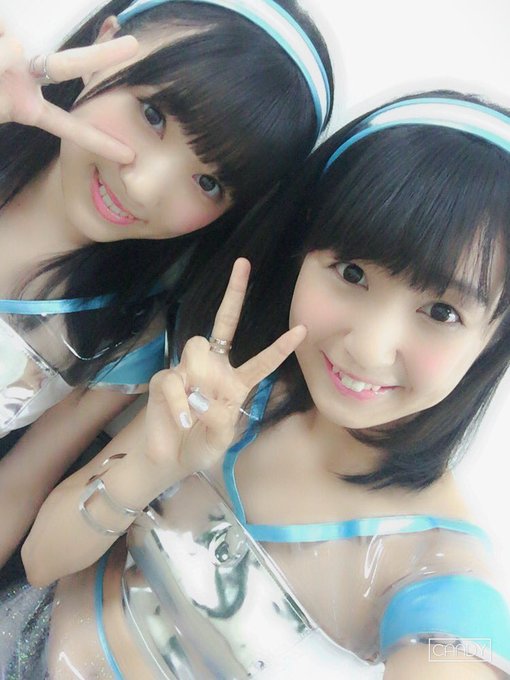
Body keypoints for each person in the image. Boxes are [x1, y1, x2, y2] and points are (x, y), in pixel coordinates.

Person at [11, 92, 510, 678]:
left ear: (493, 337)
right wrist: (151, 466)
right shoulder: (229, 391)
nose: (369, 348)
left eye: (443, 313)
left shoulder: (441, 572)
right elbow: (40, 560)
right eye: (352, 274)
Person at [0, 0, 334, 569]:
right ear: (103, 43)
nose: (145, 186)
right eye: (153, 114)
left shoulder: (126, 335)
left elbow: (15, 490)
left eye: (208, 182)